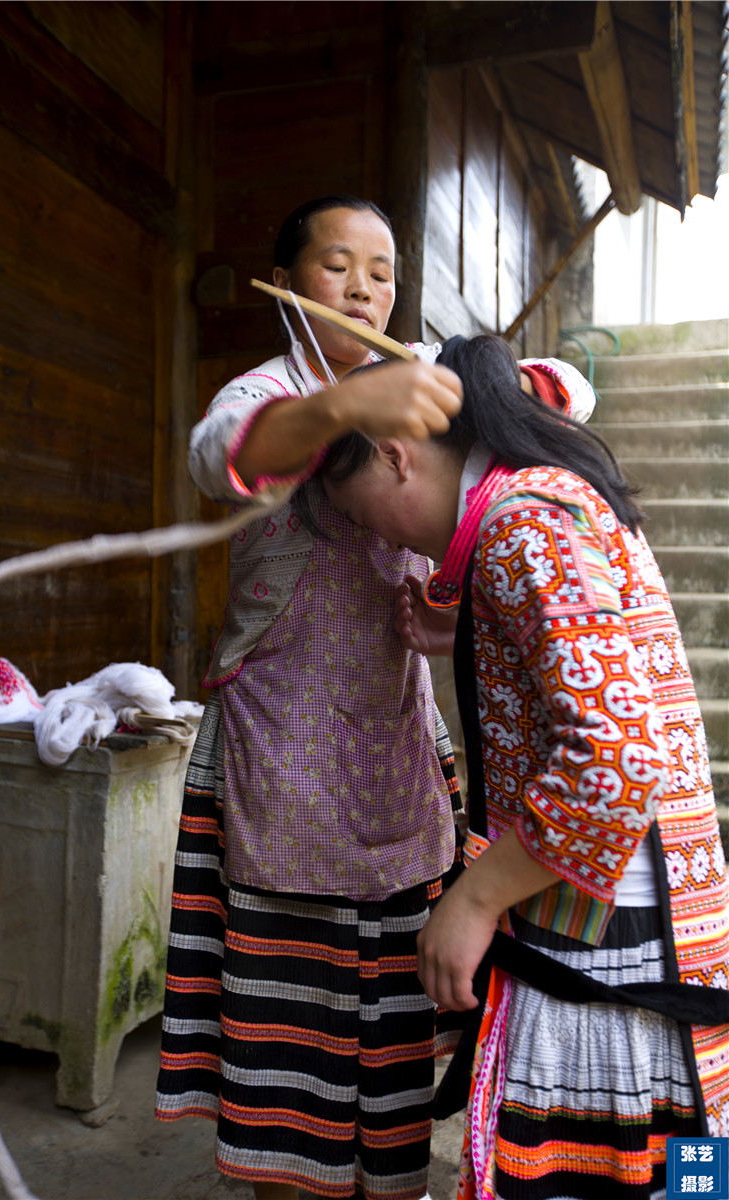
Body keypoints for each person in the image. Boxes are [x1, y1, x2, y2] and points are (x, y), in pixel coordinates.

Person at [155, 193, 595, 1200]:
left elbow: (570, 389)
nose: (363, 287)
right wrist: (341, 410)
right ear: (287, 281)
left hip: (395, 745)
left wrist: (475, 383)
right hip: (278, 756)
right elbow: (218, 454)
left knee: (395, 1030)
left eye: (382, 270)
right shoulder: (265, 391)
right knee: (287, 1038)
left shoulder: (421, 379)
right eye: (336, 266)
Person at [320, 332, 729, 1200]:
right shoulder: (543, 500)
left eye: (361, 515)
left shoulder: (522, 524)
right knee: (692, 1165)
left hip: (607, 935)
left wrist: (472, 900)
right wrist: (466, 631)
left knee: (590, 1175)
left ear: (396, 458)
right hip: (653, 922)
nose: (380, 539)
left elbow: (615, 758)